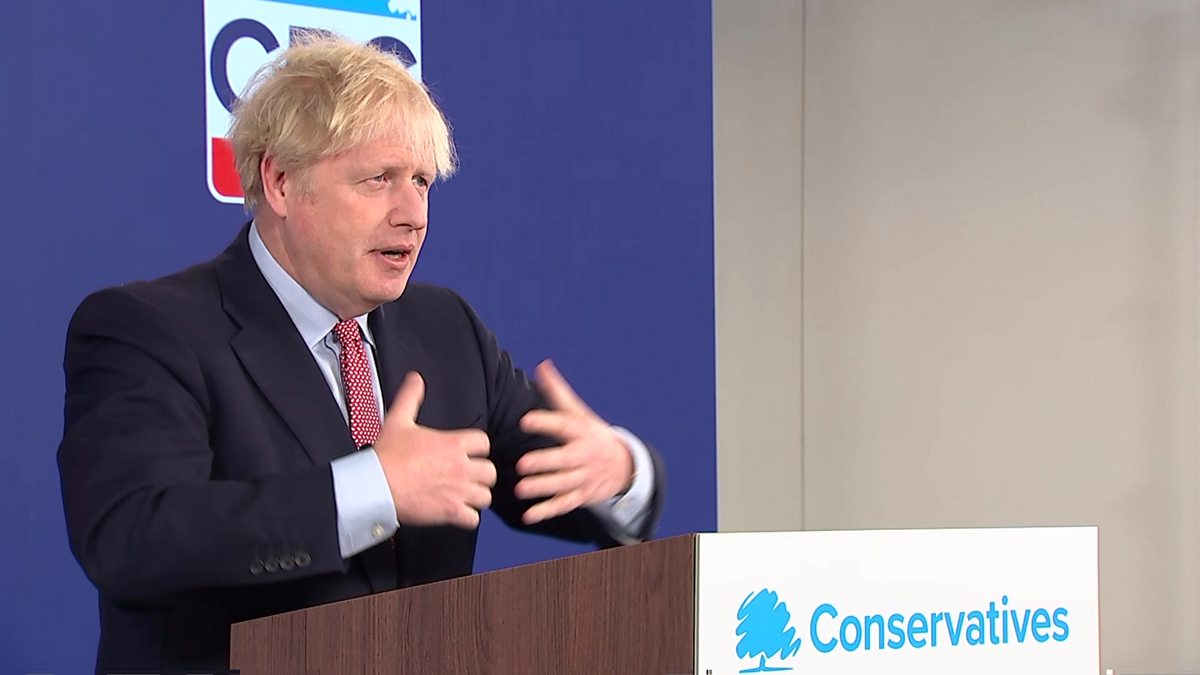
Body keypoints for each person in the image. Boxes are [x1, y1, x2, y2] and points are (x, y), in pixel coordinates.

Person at [57, 35, 662, 675]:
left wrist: (620, 471)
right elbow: (133, 539)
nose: (413, 214)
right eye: (379, 180)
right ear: (281, 181)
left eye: (421, 182)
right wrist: (373, 490)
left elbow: (554, 477)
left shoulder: (446, 328)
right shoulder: (150, 329)